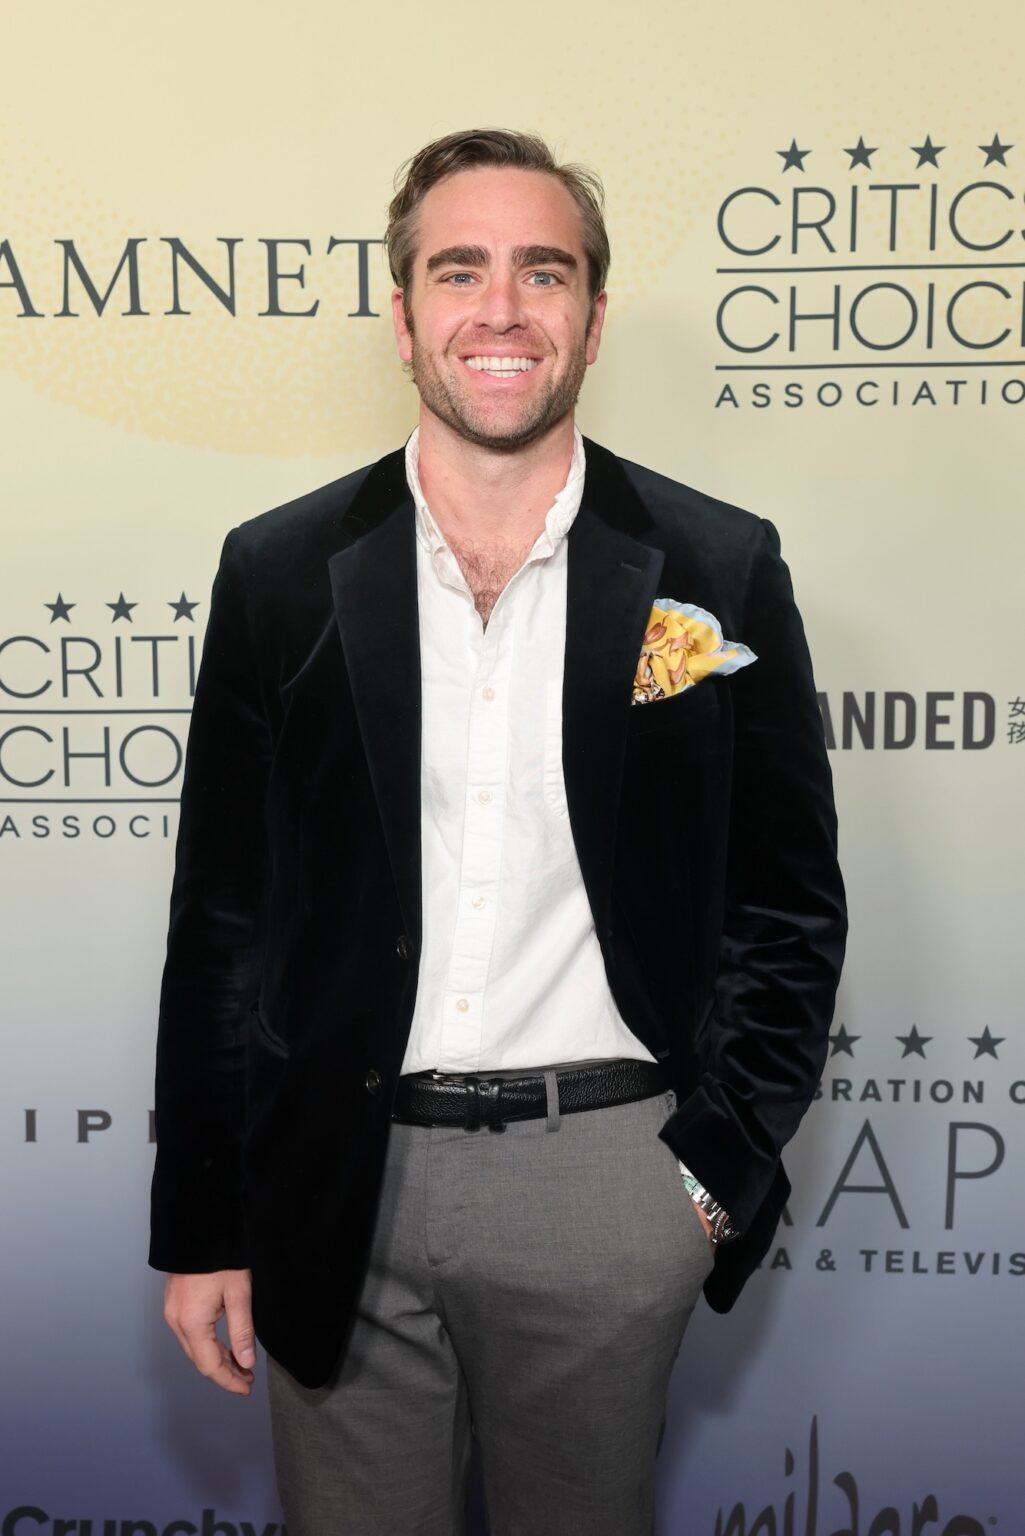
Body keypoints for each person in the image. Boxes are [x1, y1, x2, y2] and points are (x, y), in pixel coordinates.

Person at [150, 127, 847, 1535]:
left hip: (605, 1181)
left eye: (545, 271)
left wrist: (706, 1181)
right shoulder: (278, 572)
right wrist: (205, 1223)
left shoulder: (716, 567)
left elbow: (785, 908)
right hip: (336, 1179)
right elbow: (227, 919)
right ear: (402, 317)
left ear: (590, 316)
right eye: (457, 270)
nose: (502, 308)